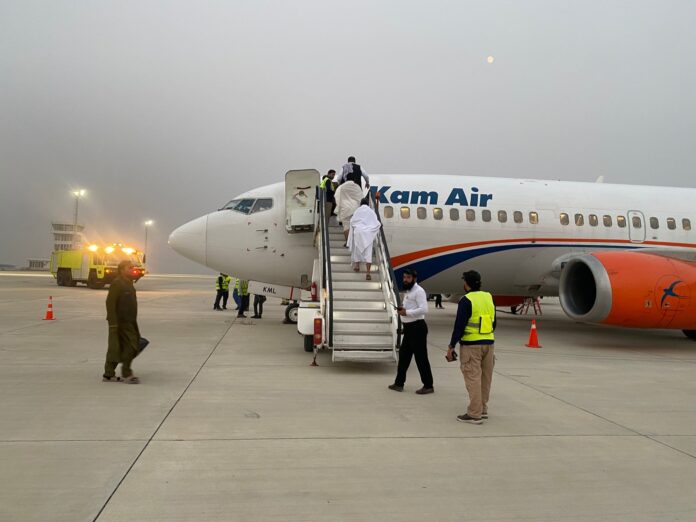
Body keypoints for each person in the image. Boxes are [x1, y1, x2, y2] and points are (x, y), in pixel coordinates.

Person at [447, 270, 496, 425]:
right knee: (485, 378)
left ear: (466, 283)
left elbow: (459, 326)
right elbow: (493, 322)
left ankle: (474, 414)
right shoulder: (488, 297)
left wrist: (451, 346)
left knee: (473, 378)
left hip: (471, 345)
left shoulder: (466, 300)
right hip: (489, 343)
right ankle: (483, 408)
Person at [389, 269, 434, 394]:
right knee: (404, 357)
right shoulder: (409, 291)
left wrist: (407, 312)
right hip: (409, 329)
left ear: (414, 278)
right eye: (404, 277)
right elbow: (411, 307)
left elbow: (424, 309)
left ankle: (428, 385)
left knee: (421, 358)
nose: (405, 280)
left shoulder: (419, 291)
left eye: (408, 278)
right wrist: (403, 310)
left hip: (417, 328)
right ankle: (399, 383)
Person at [103, 260, 141, 384]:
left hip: (130, 321)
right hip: (119, 322)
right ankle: (126, 373)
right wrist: (113, 323)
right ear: (122, 270)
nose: (132, 269)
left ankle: (108, 374)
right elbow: (110, 303)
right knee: (130, 346)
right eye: (129, 267)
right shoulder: (117, 284)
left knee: (117, 347)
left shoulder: (129, 283)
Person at [347, 199, 381, 280]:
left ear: (360, 204)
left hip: (358, 232)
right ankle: (368, 273)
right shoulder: (371, 211)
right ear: (367, 204)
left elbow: (352, 221)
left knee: (357, 249)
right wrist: (378, 226)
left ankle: (357, 266)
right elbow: (376, 222)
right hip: (368, 234)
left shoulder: (357, 211)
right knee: (368, 253)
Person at [334, 178, 364, 245]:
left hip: (345, 208)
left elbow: (336, 196)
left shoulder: (341, 187)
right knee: (355, 225)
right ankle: (356, 242)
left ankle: (348, 242)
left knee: (346, 226)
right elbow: (361, 197)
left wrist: (339, 206)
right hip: (355, 208)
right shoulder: (356, 187)